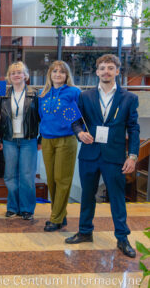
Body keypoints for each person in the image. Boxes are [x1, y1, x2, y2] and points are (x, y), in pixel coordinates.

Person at [65, 54, 139, 258]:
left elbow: (133, 128)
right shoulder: (84, 96)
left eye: (110, 68)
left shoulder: (129, 98)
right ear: (97, 72)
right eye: (103, 68)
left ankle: (122, 238)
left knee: (117, 198)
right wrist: (79, 132)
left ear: (117, 71)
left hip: (115, 156)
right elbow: (74, 119)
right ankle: (85, 231)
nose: (106, 71)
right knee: (87, 195)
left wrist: (132, 156)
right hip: (89, 154)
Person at [39, 60, 80, 232]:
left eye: (62, 72)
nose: (58, 74)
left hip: (66, 139)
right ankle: (60, 215)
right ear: (50, 74)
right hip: (48, 140)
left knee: (62, 179)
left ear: (66, 75)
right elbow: (41, 116)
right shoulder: (43, 93)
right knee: (51, 179)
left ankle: (55, 218)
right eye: (54, 71)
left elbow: (81, 116)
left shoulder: (74, 92)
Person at [0, 62, 39, 220]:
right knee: (10, 175)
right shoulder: (3, 94)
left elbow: (41, 118)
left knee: (27, 175)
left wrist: (39, 139)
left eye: (19, 72)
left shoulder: (35, 94)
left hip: (29, 140)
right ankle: (13, 207)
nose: (16, 75)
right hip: (9, 140)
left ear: (26, 75)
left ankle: (27, 208)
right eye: (13, 73)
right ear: (9, 76)